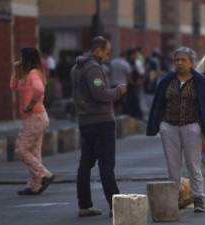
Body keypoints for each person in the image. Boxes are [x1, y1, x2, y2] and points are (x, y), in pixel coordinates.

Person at [147, 47, 205, 213]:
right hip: (169, 127)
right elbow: (158, 103)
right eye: (177, 60)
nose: (180, 63)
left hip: (191, 126)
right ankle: (173, 199)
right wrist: (159, 125)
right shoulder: (167, 80)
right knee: (173, 166)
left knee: (193, 164)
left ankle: (199, 198)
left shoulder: (200, 81)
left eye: (183, 60)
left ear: (192, 62)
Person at [71, 36, 127, 217]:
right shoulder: (93, 68)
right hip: (101, 122)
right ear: (98, 50)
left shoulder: (76, 68)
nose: (108, 56)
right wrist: (118, 91)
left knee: (85, 164)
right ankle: (115, 205)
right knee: (106, 165)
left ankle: (84, 205)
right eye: (107, 52)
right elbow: (100, 94)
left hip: (85, 121)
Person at [10, 47, 55, 195]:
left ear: (28, 59)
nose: (20, 60)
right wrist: (16, 70)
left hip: (35, 117)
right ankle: (34, 186)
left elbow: (39, 90)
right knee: (34, 152)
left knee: (21, 150)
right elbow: (13, 87)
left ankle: (45, 175)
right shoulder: (29, 73)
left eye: (22, 57)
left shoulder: (33, 73)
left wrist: (30, 105)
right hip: (37, 117)